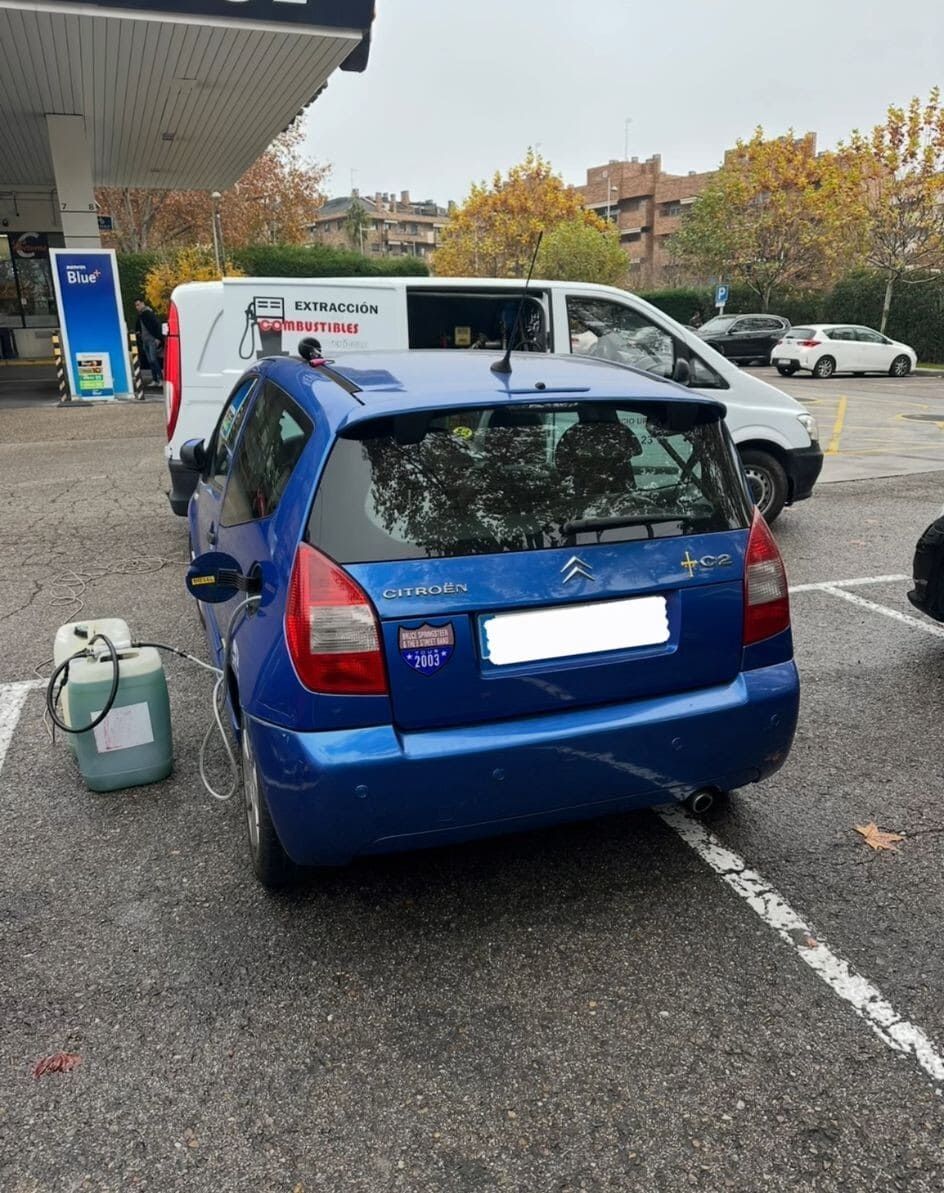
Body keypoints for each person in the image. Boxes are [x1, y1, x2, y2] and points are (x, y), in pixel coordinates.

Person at [134, 299, 163, 386]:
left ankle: (160, 379)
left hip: (151, 340)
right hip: (145, 340)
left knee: (153, 359)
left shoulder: (148, 313)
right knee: (150, 361)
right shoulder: (141, 315)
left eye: (138, 304)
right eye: (136, 305)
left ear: (143, 304)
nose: (137, 307)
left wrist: (158, 338)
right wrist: (139, 333)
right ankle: (155, 379)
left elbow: (156, 325)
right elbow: (138, 326)